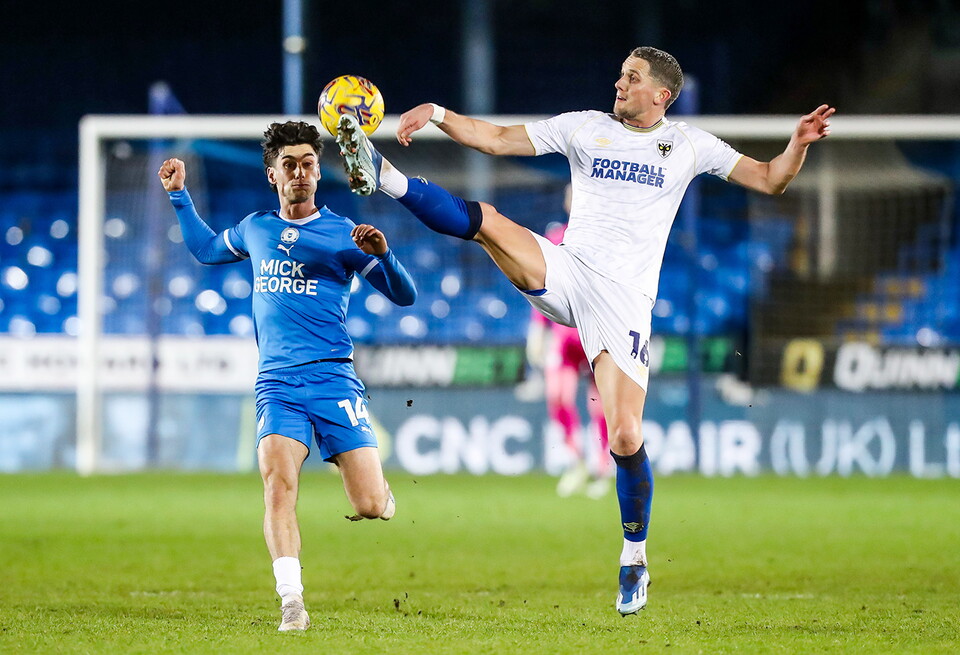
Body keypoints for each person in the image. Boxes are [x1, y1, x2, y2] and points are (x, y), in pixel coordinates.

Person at [336, 46, 834, 615]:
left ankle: (634, 558)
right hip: (568, 270)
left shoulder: (691, 145)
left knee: (623, 436)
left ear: (661, 95)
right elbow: (497, 139)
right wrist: (440, 114)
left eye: (632, 77)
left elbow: (770, 180)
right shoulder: (585, 128)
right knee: (490, 223)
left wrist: (796, 143)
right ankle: (387, 178)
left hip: (624, 304)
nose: (619, 83)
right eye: (621, 73)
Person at [157, 121, 417, 632]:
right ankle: (292, 603)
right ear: (273, 175)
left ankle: (380, 497)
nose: (301, 172)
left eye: (309, 163)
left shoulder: (345, 233)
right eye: (290, 165)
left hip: (334, 380)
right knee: (278, 486)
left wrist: (384, 254)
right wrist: (180, 196)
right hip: (277, 384)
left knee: (366, 505)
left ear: (319, 171)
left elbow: (404, 296)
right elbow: (208, 250)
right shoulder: (256, 228)